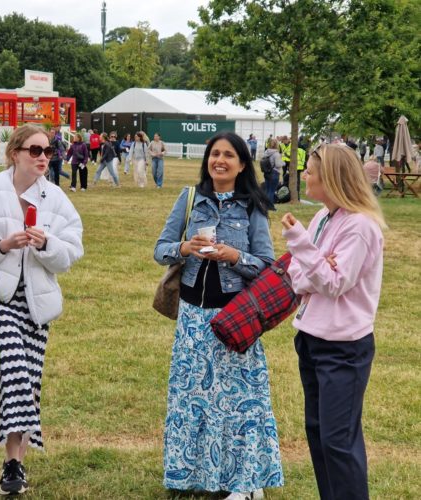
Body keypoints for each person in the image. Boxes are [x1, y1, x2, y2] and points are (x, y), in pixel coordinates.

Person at [0, 124, 83, 496]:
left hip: (38, 305)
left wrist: (47, 245)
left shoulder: (56, 199)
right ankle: (14, 461)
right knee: (15, 370)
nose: (43, 156)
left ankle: (15, 464)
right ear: (15, 153)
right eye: (35, 150)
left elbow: (71, 254)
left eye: (49, 150)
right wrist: (2, 244)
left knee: (27, 380)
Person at [154, 132, 282, 499]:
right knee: (191, 399)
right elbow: (160, 250)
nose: (219, 160)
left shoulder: (252, 206)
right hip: (193, 317)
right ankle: (190, 475)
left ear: (242, 164)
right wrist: (184, 248)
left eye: (228, 155)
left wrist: (233, 257)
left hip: (233, 317)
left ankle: (245, 480)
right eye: (214, 154)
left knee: (238, 401)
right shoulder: (190, 198)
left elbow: (268, 266)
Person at [281, 144, 386, 500]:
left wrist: (302, 246)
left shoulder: (359, 227)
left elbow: (335, 282)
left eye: (310, 171)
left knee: (338, 440)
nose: (305, 175)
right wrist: (317, 261)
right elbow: (298, 274)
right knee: (318, 431)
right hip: (311, 339)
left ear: (332, 179)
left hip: (343, 347)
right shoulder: (324, 217)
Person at [261, 138, 284, 205]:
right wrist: (283, 163)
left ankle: (264, 204)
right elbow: (278, 165)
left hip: (267, 172)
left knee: (267, 189)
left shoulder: (266, 152)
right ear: (277, 145)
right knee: (272, 190)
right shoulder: (276, 154)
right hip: (274, 173)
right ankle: (269, 205)